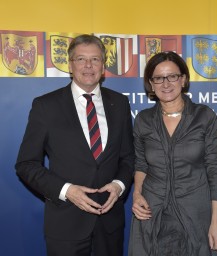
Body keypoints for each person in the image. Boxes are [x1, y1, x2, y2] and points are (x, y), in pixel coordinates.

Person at [15, 34, 134, 256]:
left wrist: (119, 185)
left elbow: (128, 157)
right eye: (81, 59)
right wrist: (67, 191)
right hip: (65, 223)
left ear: (103, 66)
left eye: (95, 59)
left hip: (109, 225)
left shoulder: (119, 103)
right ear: (70, 65)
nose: (88, 66)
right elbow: (26, 164)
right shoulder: (45, 106)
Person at [128, 51, 217, 256]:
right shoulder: (143, 120)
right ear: (151, 84)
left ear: (183, 79)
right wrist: (137, 195)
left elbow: (215, 170)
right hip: (152, 213)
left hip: (196, 213)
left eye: (172, 76)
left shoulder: (204, 116)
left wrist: (216, 220)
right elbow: (141, 164)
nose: (166, 83)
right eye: (158, 78)